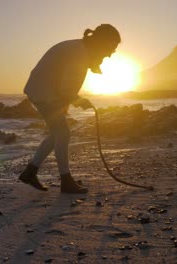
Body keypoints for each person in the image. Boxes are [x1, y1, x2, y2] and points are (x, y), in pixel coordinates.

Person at [19, 24, 121, 193]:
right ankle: (66, 181)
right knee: (63, 133)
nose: (110, 54)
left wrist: (93, 64)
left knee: (57, 133)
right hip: (45, 92)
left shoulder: (79, 48)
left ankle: (30, 172)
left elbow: (64, 79)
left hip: (43, 89)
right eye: (111, 47)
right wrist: (80, 101)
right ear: (102, 42)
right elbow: (67, 89)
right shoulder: (80, 53)